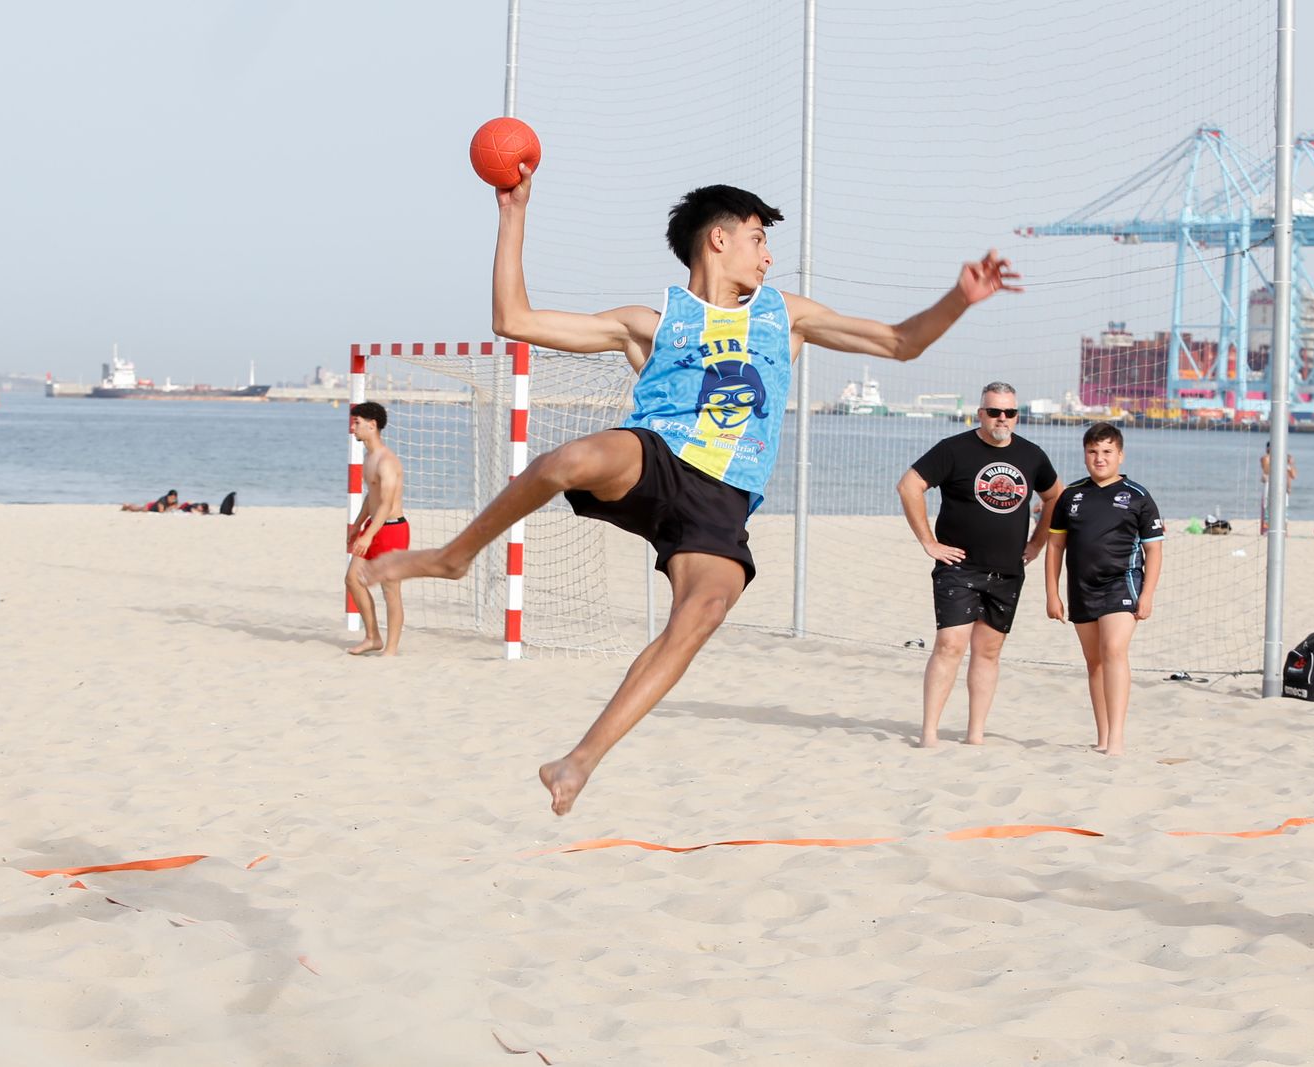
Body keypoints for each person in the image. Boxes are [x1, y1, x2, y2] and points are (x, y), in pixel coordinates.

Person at [359, 167, 1021, 815]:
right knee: (573, 456)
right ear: (719, 239)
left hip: (723, 499)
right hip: (654, 458)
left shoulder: (783, 316)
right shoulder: (651, 321)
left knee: (701, 613)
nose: (768, 254)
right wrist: (513, 213)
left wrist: (958, 298)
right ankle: (455, 556)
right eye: (759, 237)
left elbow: (900, 343)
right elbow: (513, 318)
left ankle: (578, 761)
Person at [898, 383, 1063, 748]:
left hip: (1007, 569)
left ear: (1017, 415)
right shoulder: (954, 449)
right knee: (949, 645)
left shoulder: (1031, 455)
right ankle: (929, 734)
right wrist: (928, 542)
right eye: (994, 412)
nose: (1001, 419)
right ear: (980, 414)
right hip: (959, 567)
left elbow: (1054, 496)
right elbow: (909, 486)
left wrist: (1038, 542)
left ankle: (976, 735)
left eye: (1009, 412)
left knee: (988, 652)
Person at [1045, 422, 1164, 757]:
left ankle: (1117, 740)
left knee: (1113, 650)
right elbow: (1055, 548)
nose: (1100, 458)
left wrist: (1148, 594)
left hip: (1122, 584)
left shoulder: (1138, 497)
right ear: (1085, 454)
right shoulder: (1070, 496)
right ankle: (1103, 736)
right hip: (1081, 588)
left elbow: (1154, 550)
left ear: (1120, 455)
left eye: (1107, 452)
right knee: (1094, 661)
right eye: (1093, 451)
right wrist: (1052, 594)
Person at [345, 402, 409, 656]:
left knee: (390, 590)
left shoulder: (387, 461)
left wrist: (369, 534)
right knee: (352, 579)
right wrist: (358, 525)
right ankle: (373, 637)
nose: (353, 428)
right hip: (373, 526)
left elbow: (386, 503)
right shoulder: (369, 458)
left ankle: (391, 650)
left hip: (392, 529)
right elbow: (371, 497)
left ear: (372, 425)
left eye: (357, 423)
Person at [1259, 442, 1296, 535]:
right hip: (1269, 484)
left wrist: (1289, 463)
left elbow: (1293, 475)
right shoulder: (1266, 458)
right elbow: (1266, 470)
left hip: (1281, 486)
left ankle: (1284, 530)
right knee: (1268, 507)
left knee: (1283, 508)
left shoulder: (1284, 460)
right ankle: (1266, 530)